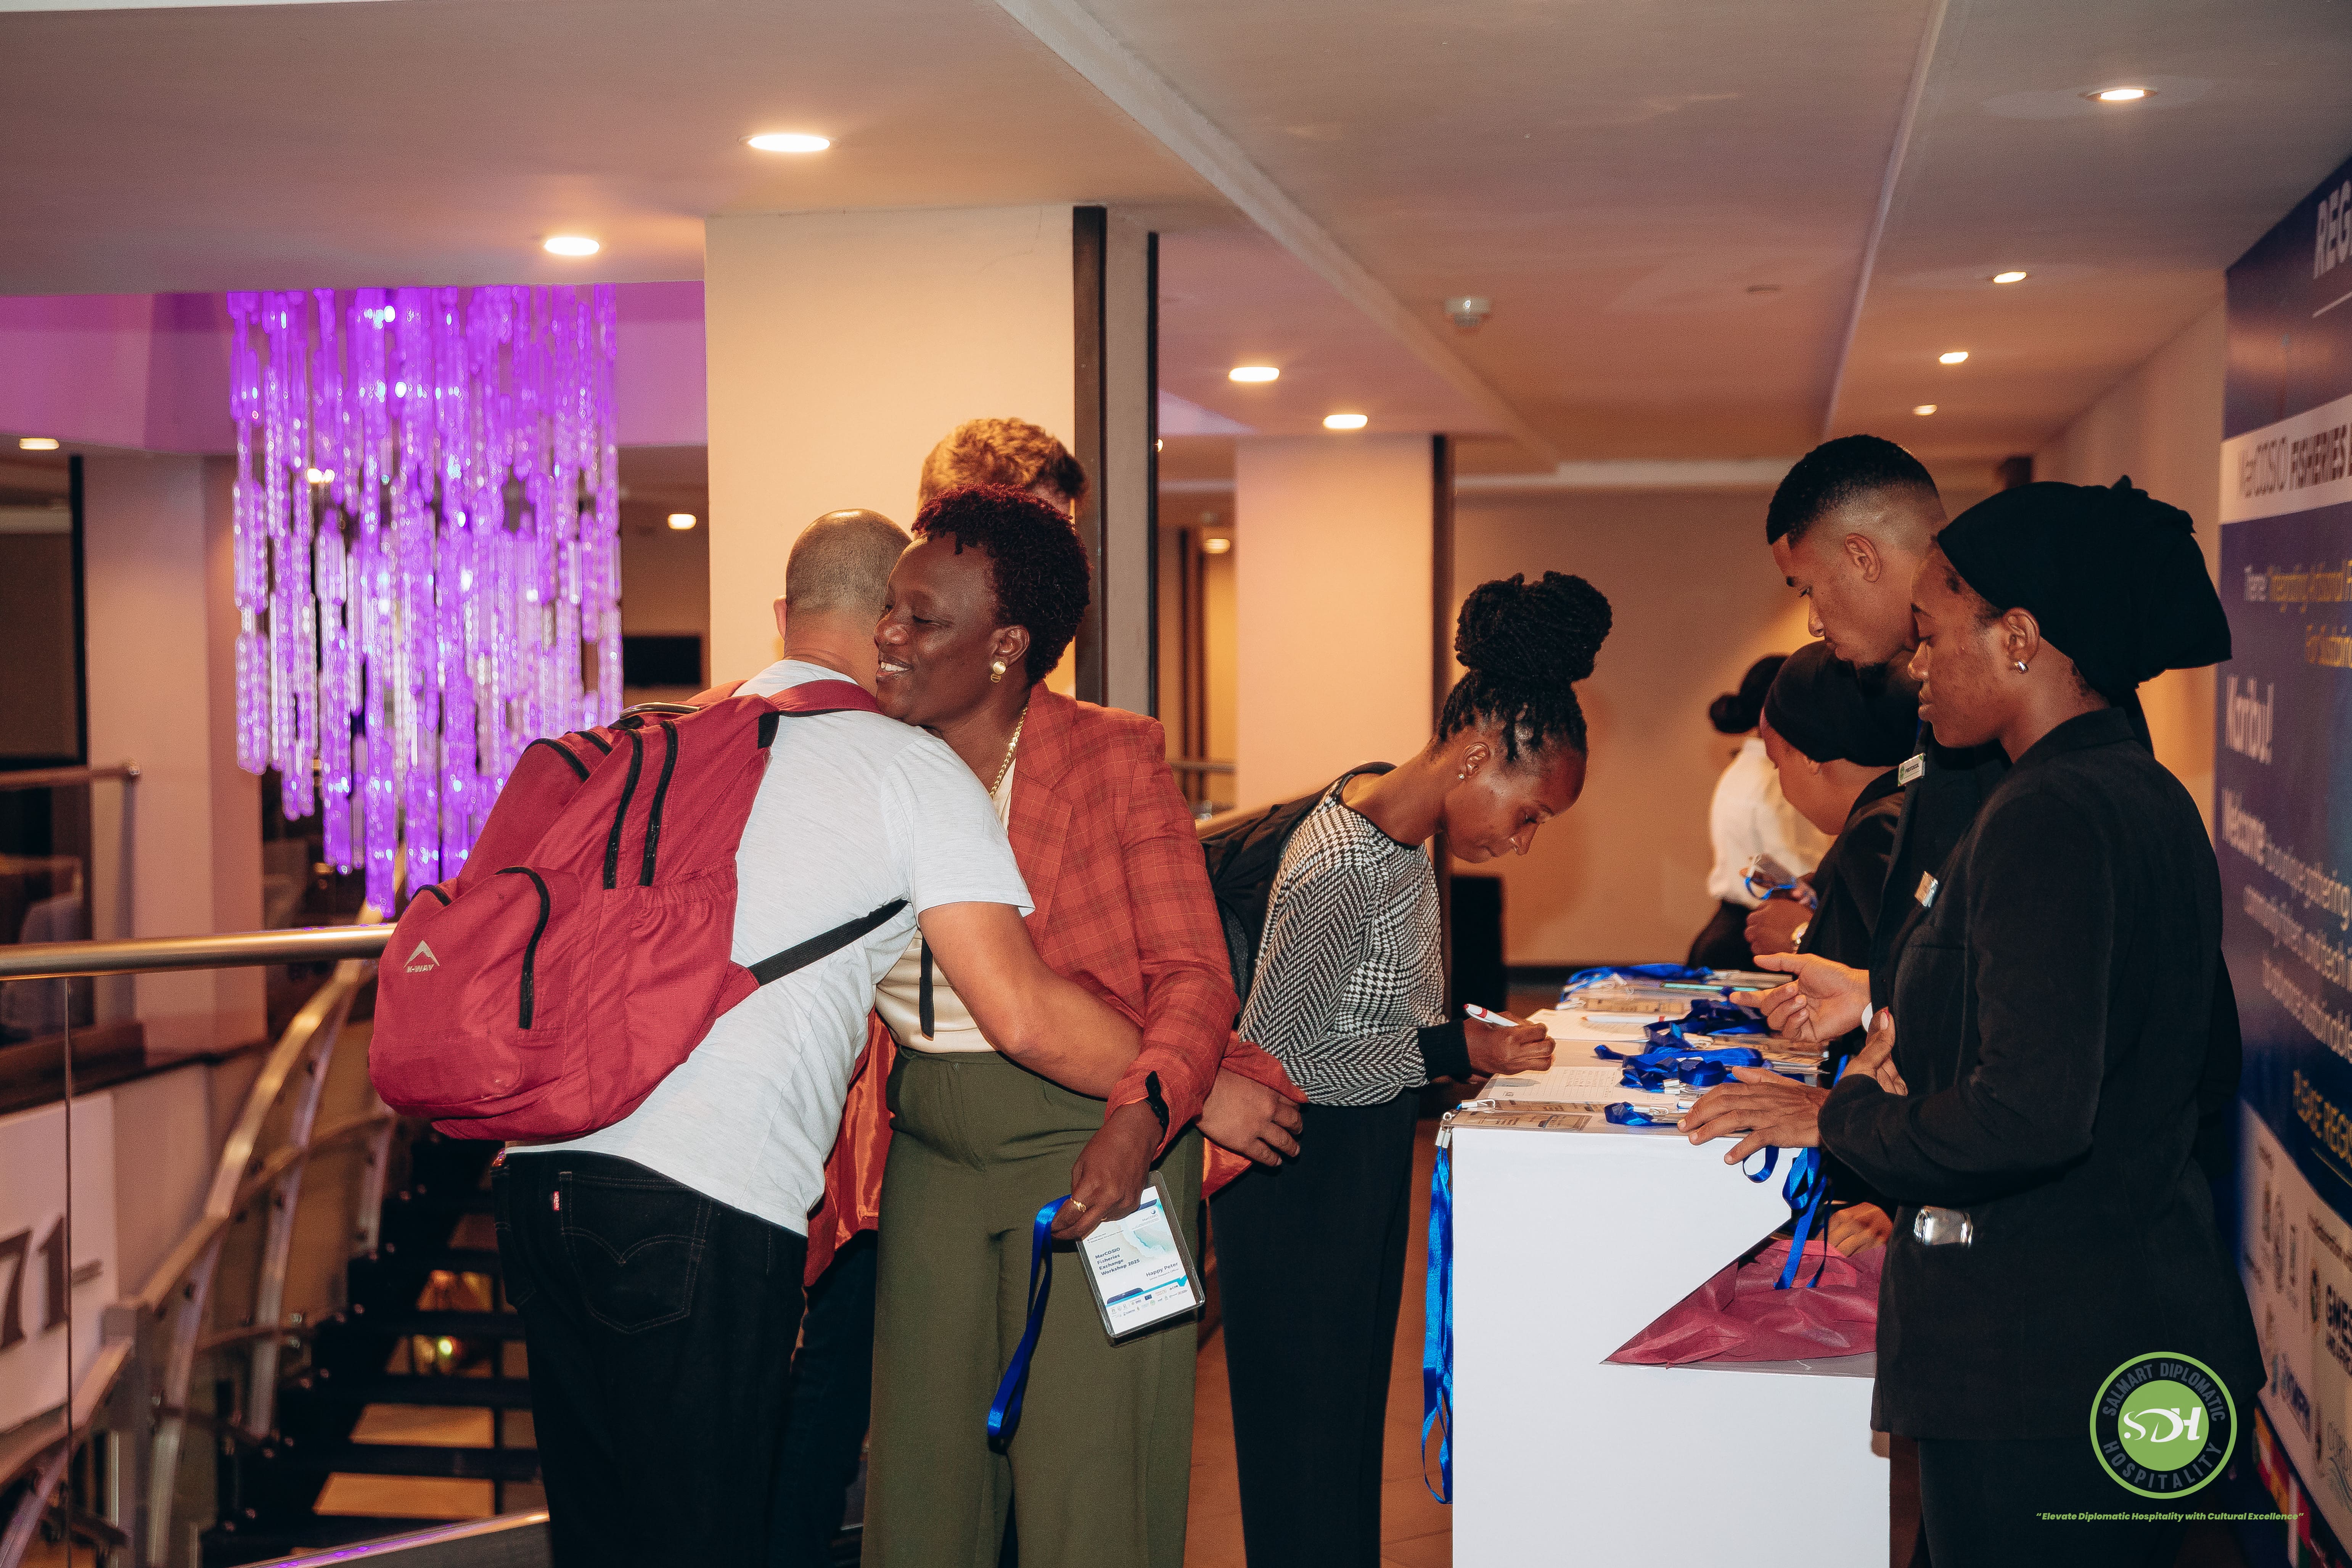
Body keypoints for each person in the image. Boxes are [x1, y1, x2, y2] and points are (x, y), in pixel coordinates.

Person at [492, 512, 1162, 1566]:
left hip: (540, 1180)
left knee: (598, 1538)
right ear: (884, 616)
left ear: (781, 618)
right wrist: (1188, 1082)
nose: (901, 634)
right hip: (703, 1200)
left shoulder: (663, 737)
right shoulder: (906, 768)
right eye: (900, 610)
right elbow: (1022, 1009)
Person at [1683, 479, 2261, 1566]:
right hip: (2112, 1326)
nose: (1914, 667)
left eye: (1932, 633)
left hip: (2041, 1357)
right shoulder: (2131, 788)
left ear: (2017, 637)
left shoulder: (2046, 812)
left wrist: (1836, 1116)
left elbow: (2029, 1111)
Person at [860, 484, 1303, 1568]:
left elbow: (1194, 975)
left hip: (1091, 1135)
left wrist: (1137, 1120)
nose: (888, 633)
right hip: (927, 1146)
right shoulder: (865, 758)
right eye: (892, 607)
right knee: (920, 1493)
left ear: (1006, 644)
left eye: (923, 617)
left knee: (1089, 1486)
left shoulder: (1112, 757)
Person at [1214, 571, 1608, 1568]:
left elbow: (1370, 1006)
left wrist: (1463, 1034)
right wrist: (1449, 1050)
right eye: (1527, 813)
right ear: (1477, 753)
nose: (1518, 842)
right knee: (1302, 1447)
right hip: (1293, 1179)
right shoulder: (1342, 858)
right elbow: (1279, 1057)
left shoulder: (1396, 829)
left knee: (1344, 1428)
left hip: (1353, 1160)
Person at [1747, 639, 1919, 1257]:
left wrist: (1795, 939)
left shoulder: (1879, 826)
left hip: (1891, 1142)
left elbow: (1911, 994)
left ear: (1810, 756)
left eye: (1776, 764)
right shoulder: (1893, 812)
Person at [1689, 653, 1827, 968]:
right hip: (1753, 942)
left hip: (1726, 933)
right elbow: (1797, 884)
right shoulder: (1776, 779)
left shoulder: (1741, 768)